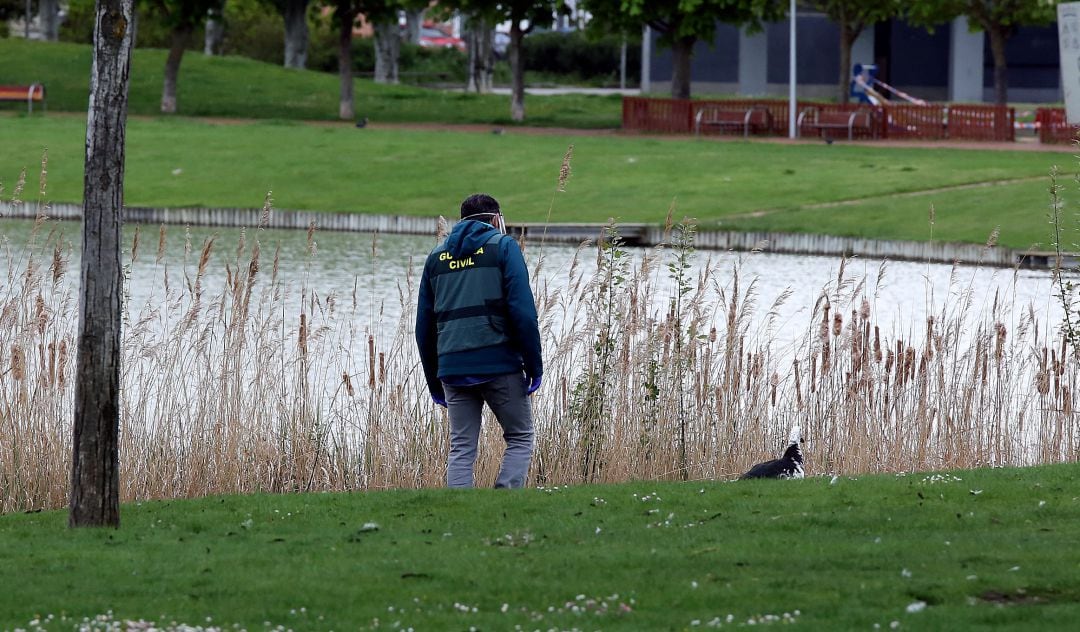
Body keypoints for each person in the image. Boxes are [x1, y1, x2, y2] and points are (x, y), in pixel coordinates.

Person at [415, 193, 543, 488]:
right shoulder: (504, 247)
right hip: (499, 363)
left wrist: (435, 381)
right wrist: (534, 367)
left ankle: (460, 514)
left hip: (452, 368)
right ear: (496, 219)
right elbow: (523, 313)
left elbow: (424, 327)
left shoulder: (436, 258)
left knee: (461, 447)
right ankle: (504, 504)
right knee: (520, 436)